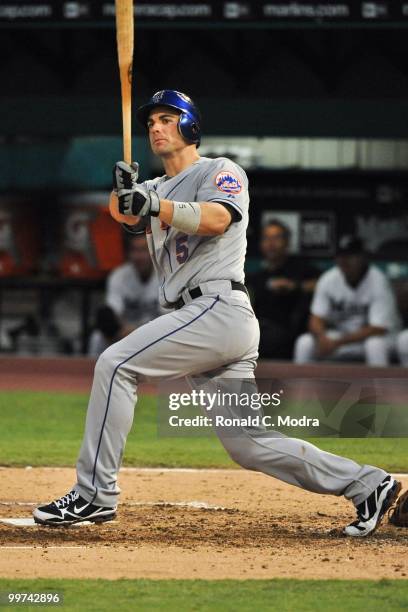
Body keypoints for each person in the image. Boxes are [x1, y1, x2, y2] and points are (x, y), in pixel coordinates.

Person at [34, 90, 402, 537]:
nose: (155, 127)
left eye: (168, 119)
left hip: (217, 308)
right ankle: (368, 484)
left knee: (115, 365)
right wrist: (126, 192)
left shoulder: (221, 171)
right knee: (249, 445)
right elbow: (122, 213)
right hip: (200, 319)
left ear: (190, 126)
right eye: (151, 122)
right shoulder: (151, 189)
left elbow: (216, 219)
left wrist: (150, 205)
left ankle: (95, 495)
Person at [294, 235, 401, 366]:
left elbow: (377, 329)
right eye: (341, 256)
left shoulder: (378, 281)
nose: (344, 260)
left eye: (350, 256)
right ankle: (301, 387)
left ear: (363, 257)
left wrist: (337, 342)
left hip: (383, 339)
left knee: (374, 345)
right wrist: (322, 338)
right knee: (305, 343)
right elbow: (315, 319)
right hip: (343, 338)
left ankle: (379, 386)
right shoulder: (328, 279)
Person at [247, 220, 318, 359]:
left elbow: (323, 284)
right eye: (266, 239)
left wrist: (294, 286)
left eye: (276, 238)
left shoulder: (300, 267)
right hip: (261, 330)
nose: (271, 244)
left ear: (287, 242)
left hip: (290, 332)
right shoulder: (256, 277)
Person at [88, 234, 161, 357]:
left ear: (153, 252)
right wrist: (123, 331)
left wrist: (137, 332)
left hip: (156, 336)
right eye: (134, 250)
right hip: (123, 334)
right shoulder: (119, 276)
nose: (139, 256)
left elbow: (169, 317)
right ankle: (95, 372)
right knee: (97, 338)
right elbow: (112, 313)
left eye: (143, 250)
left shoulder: (164, 275)